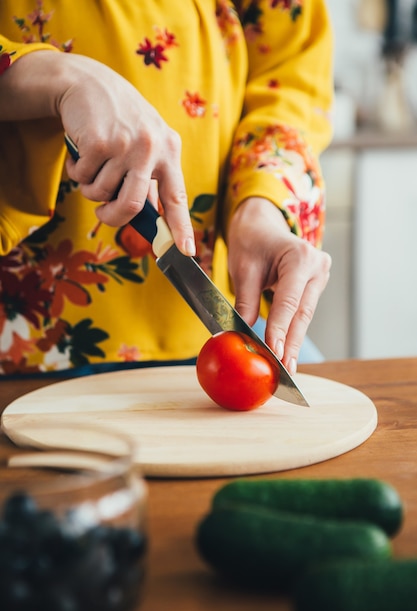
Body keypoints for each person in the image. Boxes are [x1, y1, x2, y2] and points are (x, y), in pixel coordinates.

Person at [0, 0, 333, 379]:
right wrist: (58, 77)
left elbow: (291, 82)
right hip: (23, 322)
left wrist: (261, 208)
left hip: (211, 312)